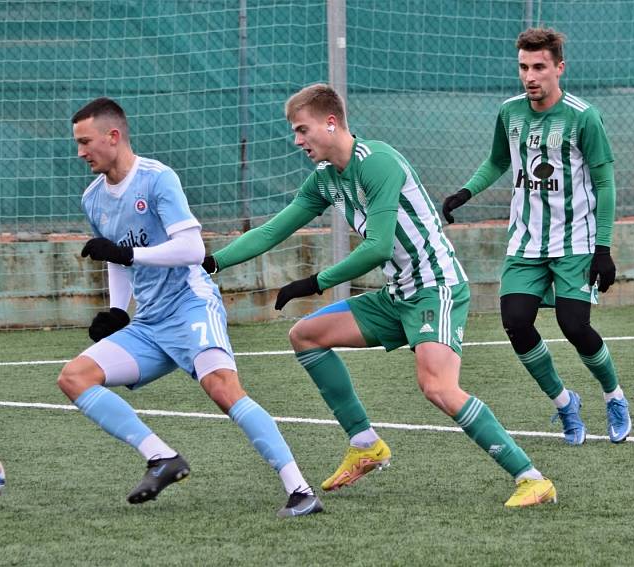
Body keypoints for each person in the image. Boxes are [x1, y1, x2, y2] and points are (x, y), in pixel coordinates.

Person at [203, 84, 556, 507]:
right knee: (305, 335)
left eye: (302, 130)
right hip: (397, 294)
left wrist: (314, 282)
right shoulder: (325, 179)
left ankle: (532, 478)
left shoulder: (379, 163)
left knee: (437, 386)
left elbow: (378, 247)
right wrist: (211, 264)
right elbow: (271, 230)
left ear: (330, 123)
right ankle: (366, 444)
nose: (297, 140)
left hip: (435, 288)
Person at [57, 97, 322, 518]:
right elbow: (115, 257)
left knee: (221, 388)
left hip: (190, 305)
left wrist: (128, 255)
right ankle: (161, 458)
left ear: (113, 136)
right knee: (75, 377)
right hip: (150, 322)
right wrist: (117, 310)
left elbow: (190, 248)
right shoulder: (93, 199)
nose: (80, 152)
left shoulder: (157, 179)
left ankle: (300, 490)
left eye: (85, 141)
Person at [442, 28, 632, 445]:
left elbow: (606, 184)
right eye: (524, 67)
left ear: (559, 68)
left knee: (575, 326)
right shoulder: (509, 113)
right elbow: (496, 161)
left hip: (576, 243)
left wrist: (603, 249)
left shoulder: (584, 117)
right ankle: (565, 403)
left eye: (540, 67)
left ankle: (614, 396)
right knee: (515, 321)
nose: (530, 76)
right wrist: (465, 192)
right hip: (525, 242)